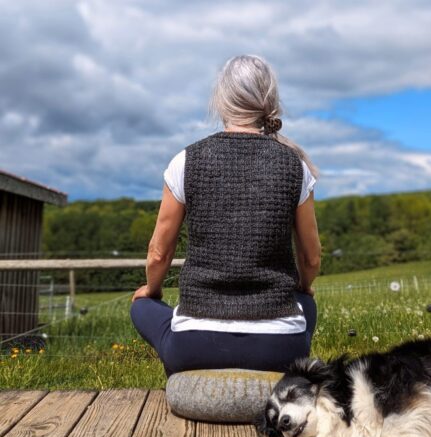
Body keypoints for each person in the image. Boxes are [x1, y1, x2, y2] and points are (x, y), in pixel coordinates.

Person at [130, 54, 321, 377]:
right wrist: (303, 288)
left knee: (141, 306)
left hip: (194, 347)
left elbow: (159, 253)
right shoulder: (294, 165)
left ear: (221, 101)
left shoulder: (186, 161)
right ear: (269, 101)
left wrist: (152, 291)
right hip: (279, 350)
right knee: (308, 303)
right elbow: (311, 258)